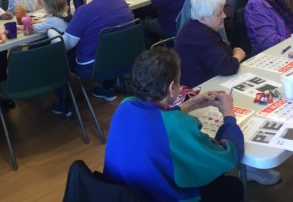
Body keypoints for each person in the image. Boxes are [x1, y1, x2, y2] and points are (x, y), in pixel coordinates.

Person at [103, 47, 244, 202]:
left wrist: (190, 104)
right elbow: (230, 155)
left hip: (126, 193)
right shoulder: (176, 125)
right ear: (172, 88)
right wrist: (228, 113)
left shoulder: (125, 105)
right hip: (159, 196)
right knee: (232, 186)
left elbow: (155, 117)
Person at [62, 0, 135, 104]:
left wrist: (52, 31)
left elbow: (66, 45)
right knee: (108, 45)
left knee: (60, 54)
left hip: (95, 66)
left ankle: (64, 104)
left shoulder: (85, 11)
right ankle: (108, 88)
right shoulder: (122, 2)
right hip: (125, 58)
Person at [175, 0, 245, 88]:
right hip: (200, 90)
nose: (224, 16)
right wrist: (238, 55)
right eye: (219, 13)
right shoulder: (200, 37)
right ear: (203, 18)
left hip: (210, 81)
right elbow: (226, 67)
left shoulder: (195, 26)